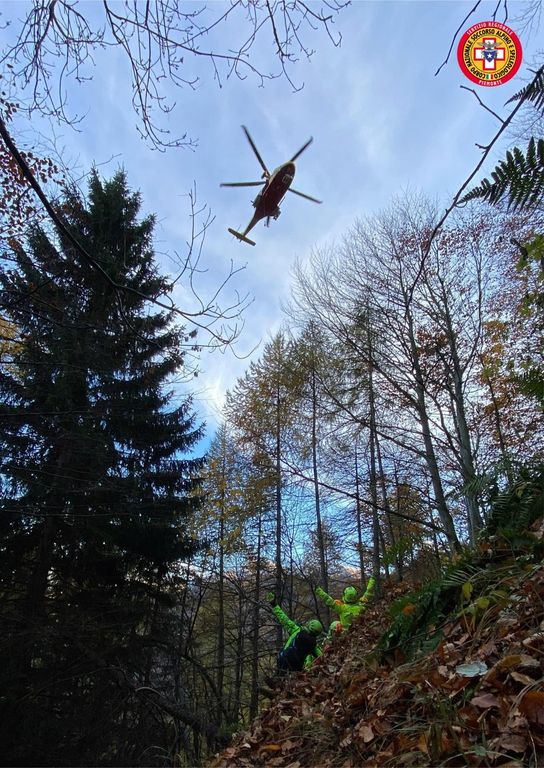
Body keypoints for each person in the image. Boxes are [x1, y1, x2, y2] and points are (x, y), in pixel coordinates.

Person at [266, 592, 323, 672]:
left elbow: (284, 619)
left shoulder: (296, 630)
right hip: (295, 669)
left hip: (282, 660)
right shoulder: (313, 645)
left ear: (309, 625)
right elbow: (321, 656)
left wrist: (274, 605)